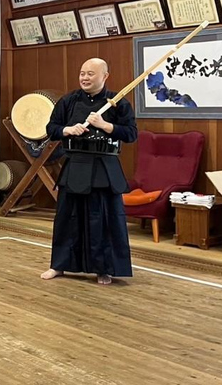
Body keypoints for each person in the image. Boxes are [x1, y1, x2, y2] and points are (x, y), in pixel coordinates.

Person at [40, 58, 137, 285]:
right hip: (76, 165)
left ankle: (104, 268)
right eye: (82, 73)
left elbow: (131, 134)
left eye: (90, 74)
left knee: (103, 218)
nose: (84, 77)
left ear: (105, 76)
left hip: (105, 167)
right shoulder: (69, 101)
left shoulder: (118, 103)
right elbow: (51, 129)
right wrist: (67, 129)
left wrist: (105, 125)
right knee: (67, 217)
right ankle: (59, 265)